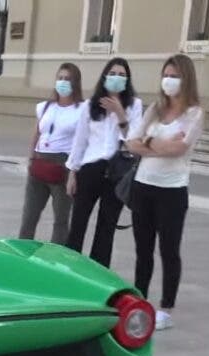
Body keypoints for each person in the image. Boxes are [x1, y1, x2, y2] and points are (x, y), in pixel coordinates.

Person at [124, 54, 203, 331]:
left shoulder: (194, 113)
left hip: (172, 190)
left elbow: (180, 149)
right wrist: (157, 142)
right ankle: (139, 300)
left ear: (186, 79)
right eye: (166, 75)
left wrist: (148, 143)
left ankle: (166, 308)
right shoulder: (155, 109)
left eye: (175, 76)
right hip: (143, 185)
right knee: (142, 250)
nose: (169, 80)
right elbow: (131, 142)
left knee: (169, 250)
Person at [64, 57, 143, 267]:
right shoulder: (90, 105)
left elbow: (134, 140)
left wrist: (120, 113)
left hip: (117, 170)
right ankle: (70, 268)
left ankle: (98, 272)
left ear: (127, 80)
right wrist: (72, 172)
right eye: (113, 74)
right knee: (78, 222)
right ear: (105, 76)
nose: (117, 78)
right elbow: (80, 140)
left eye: (122, 75)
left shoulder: (134, 105)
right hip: (91, 168)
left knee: (107, 227)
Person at [18, 63, 83, 244]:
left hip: (63, 164)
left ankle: (56, 256)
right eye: (60, 78)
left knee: (61, 219)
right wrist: (31, 157)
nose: (63, 82)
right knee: (29, 215)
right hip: (40, 162)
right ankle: (22, 252)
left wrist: (74, 172)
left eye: (68, 79)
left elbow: (81, 142)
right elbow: (37, 133)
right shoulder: (45, 107)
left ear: (75, 82)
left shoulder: (81, 110)